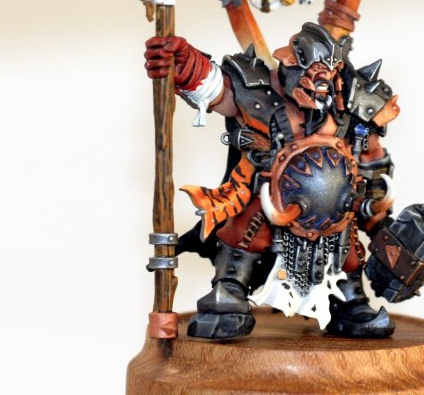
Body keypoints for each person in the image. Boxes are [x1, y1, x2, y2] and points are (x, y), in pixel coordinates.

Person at [145, 22, 400, 339]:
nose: (320, 86)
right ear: (291, 66)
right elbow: (215, 88)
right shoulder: (260, 95)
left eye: (329, 76)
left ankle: (350, 300)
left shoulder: (351, 102)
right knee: (247, 229)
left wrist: (378, 218)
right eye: (313, 75)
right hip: (270, 199)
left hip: (334, 211)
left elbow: (371, 159)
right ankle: (229, 292)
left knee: (345, 244)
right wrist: (183, 62)